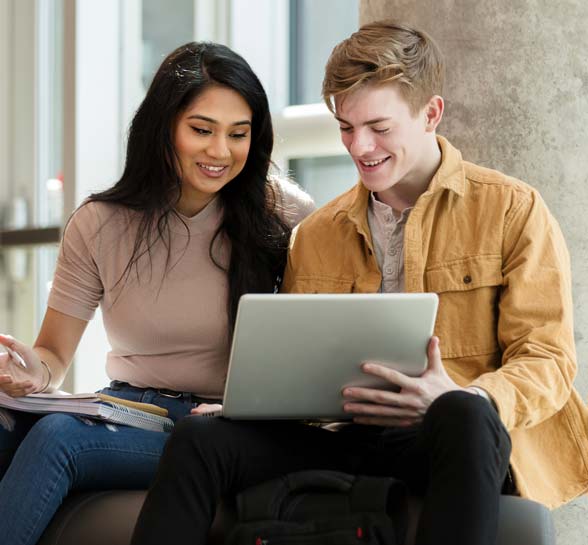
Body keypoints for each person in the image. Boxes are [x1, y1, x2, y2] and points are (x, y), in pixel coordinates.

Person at [130, 20, 588, 545]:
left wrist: (463, 394)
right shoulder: (317, 233)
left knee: (464, 412)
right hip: (346, 436)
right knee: (200, 437)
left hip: (451, 439)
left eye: (379, 126)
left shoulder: (512, 209)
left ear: (430, 114)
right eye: (346, 127)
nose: (359, 146)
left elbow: (548, 361)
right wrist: (250, 405)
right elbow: (296, 363)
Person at [0, 42, 314, 545]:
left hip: (212, 424)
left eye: (239, 134)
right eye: (201, 129)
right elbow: (54, 355)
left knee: (58, 441)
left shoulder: (286, 215)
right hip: (122, 410)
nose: (220, 152)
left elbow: (315, 349)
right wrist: (27, 374)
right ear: (164, 125)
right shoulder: (99, 223)